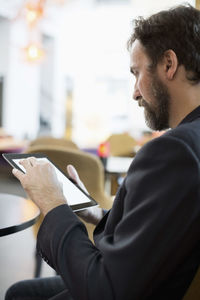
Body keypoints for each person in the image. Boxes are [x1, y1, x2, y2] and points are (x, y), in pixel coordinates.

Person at [5, 4, 200, 300]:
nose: (135, 91)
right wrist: (95, 213)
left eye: (137, 73)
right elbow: (161, 231)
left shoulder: (174, 151)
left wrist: (54, 203)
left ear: (168, 65)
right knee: (22, 292)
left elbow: (105, 289)